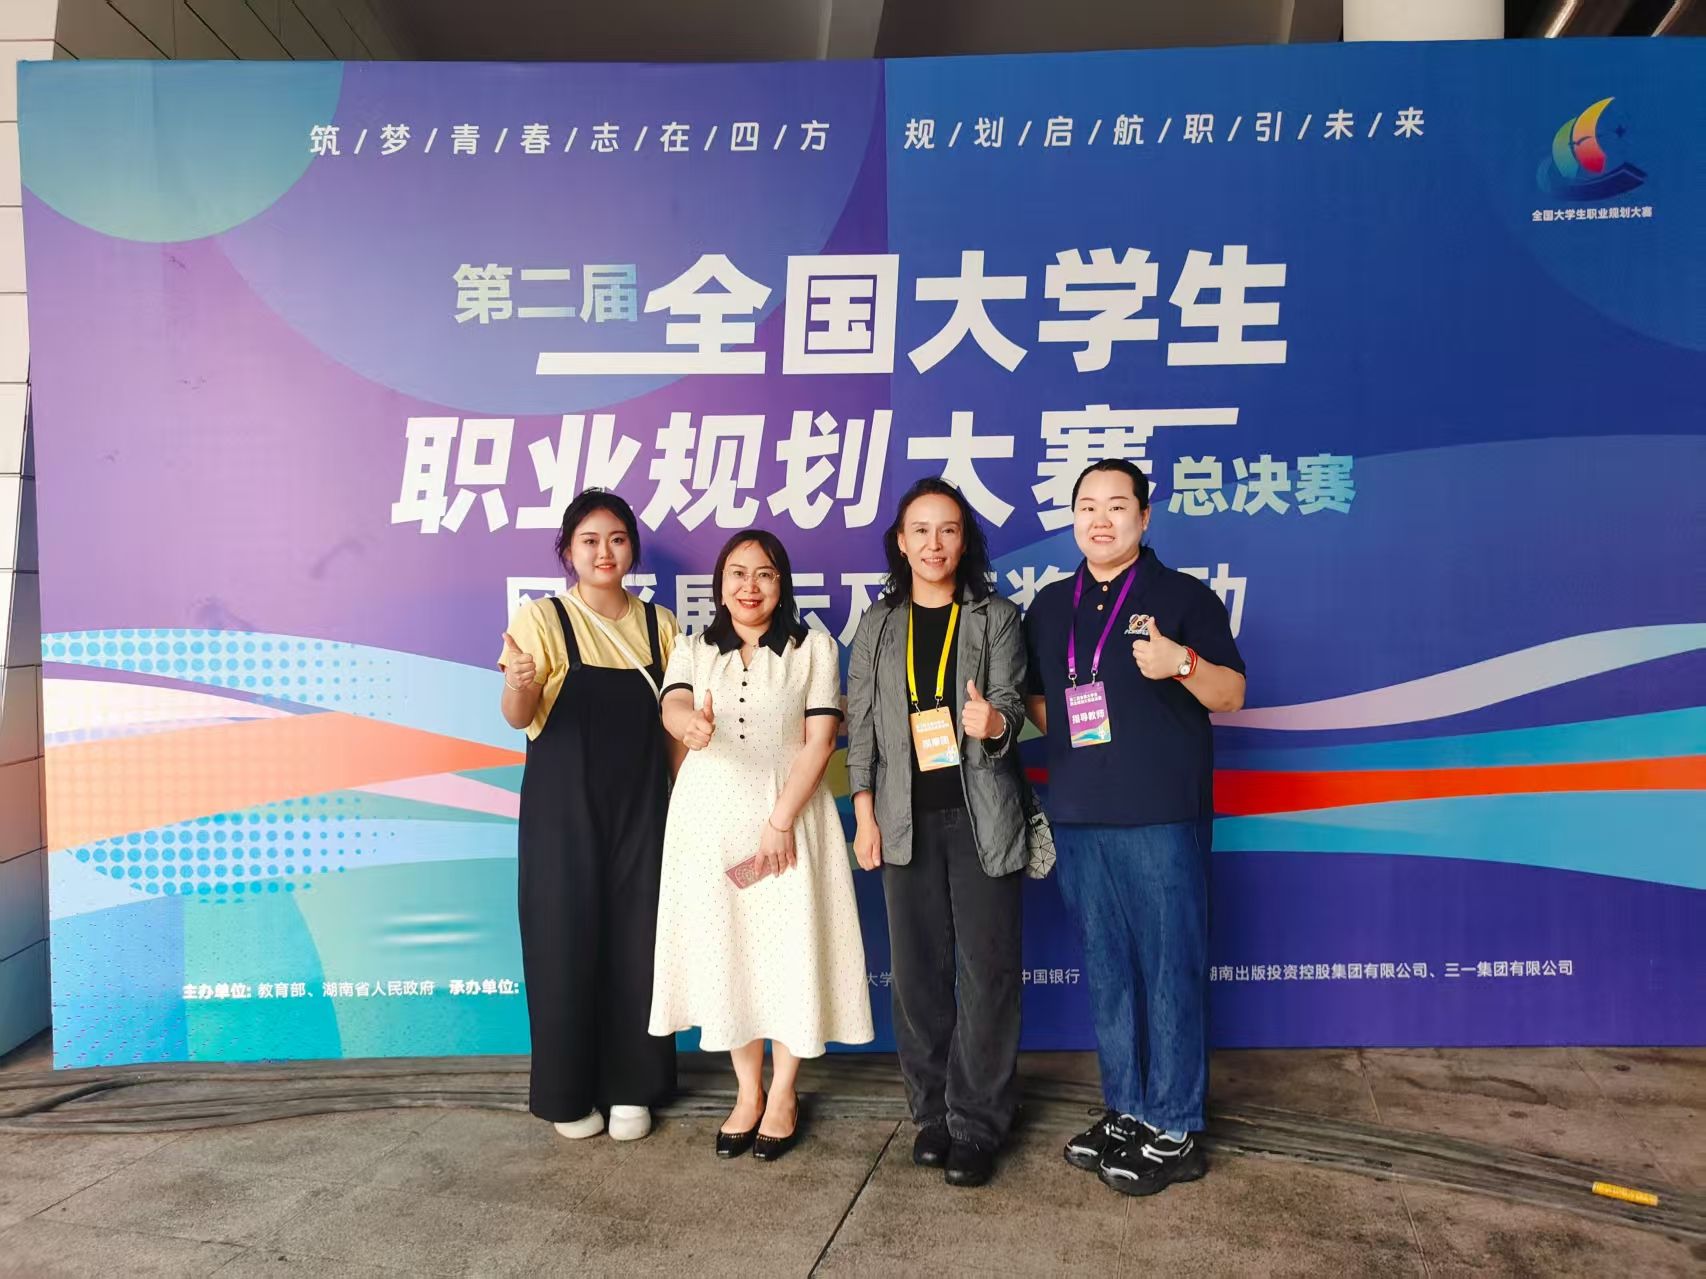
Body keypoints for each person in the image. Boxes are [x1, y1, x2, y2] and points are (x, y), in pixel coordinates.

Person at [1022, 458, 1246, 1197]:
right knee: (1109, 968)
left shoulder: (1183, 597)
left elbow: (1232, 693)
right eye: (1087, 505)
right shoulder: (1048, 606)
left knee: (1169, 966)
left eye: (1117, 505)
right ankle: (1127, 1108)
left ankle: (1175, 1126)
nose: (1101, 518)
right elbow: (1042, 704)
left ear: (1145, 517)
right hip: (1080, 815)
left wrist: (1180, 662)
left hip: (1161, 814)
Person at [651, 529, 873, 1161]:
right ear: (720, 585)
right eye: (738, 573)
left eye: (765, 574)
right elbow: (674, 705)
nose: (750, 587)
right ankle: (747, 1092)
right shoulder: (693, 647)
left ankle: (783, 1094)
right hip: (709, 821)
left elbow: (821, 740)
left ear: (782, 584)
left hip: (789, 814)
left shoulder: (813, 648)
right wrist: (688, 725)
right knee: (730, 950)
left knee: (787, 949)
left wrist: (780, 821)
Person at [845, 478, 1029, 1188]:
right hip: (904, 820)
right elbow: (861, 728)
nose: (933, 543)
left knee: (988, 972)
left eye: (948, 529)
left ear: (965, 540)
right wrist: (865, 814)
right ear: (900, 541)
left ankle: (977, 1122)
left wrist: (996, 722)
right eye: (920, 530)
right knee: (917, 974)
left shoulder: (996, 617)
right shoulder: (878, 624)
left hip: (981, 818)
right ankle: (931, 1115)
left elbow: (1011, 704)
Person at [498, 488, 678, 1143]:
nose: (605, 552)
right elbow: (518, 717)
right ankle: (566, 1093)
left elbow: (675, 726)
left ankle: (635, 1085)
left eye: (617, 539)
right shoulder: (542, 619)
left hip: (643, 807)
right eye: (590, 540)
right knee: (561, 939)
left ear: (633, 548)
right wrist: (519, 683)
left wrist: (684, 805)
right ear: (568, 551)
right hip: (561, 812)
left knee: (640, 941)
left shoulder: (661, 626)